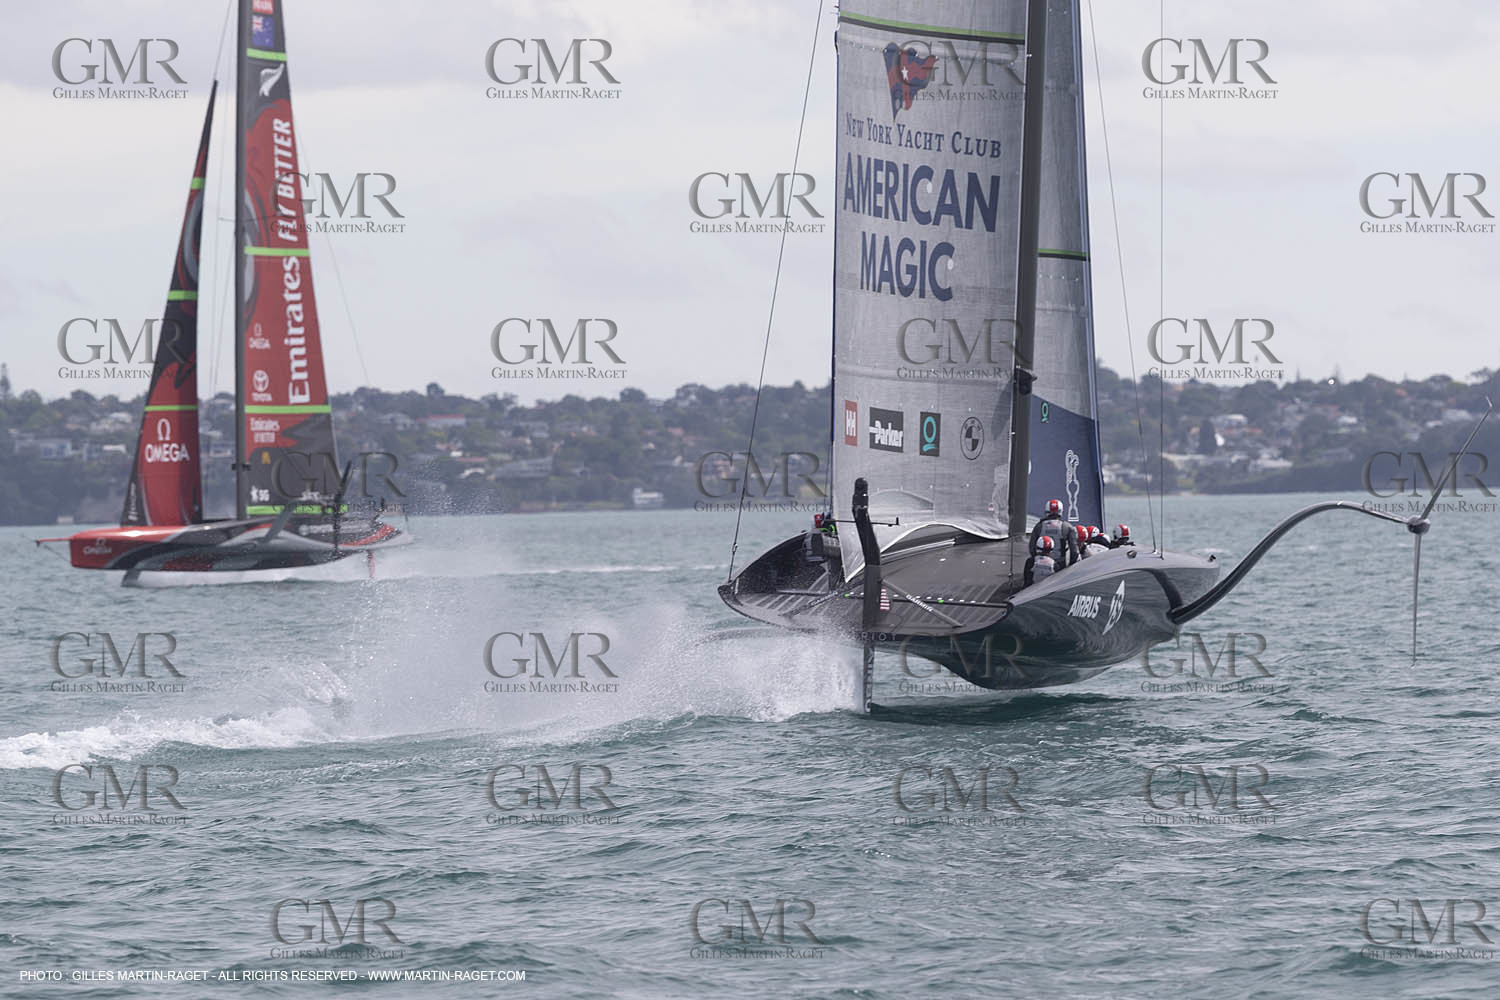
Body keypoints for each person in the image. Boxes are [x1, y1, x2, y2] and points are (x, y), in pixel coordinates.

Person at [1028, 498, 1078, 568]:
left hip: (1040, 563)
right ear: (1060, 511)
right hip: (1060, 564)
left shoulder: (1039, 526)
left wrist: (1036, 559)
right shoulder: (1067, 527)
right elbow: (1074, 551)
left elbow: (1032, 548)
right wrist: (1070, 566)